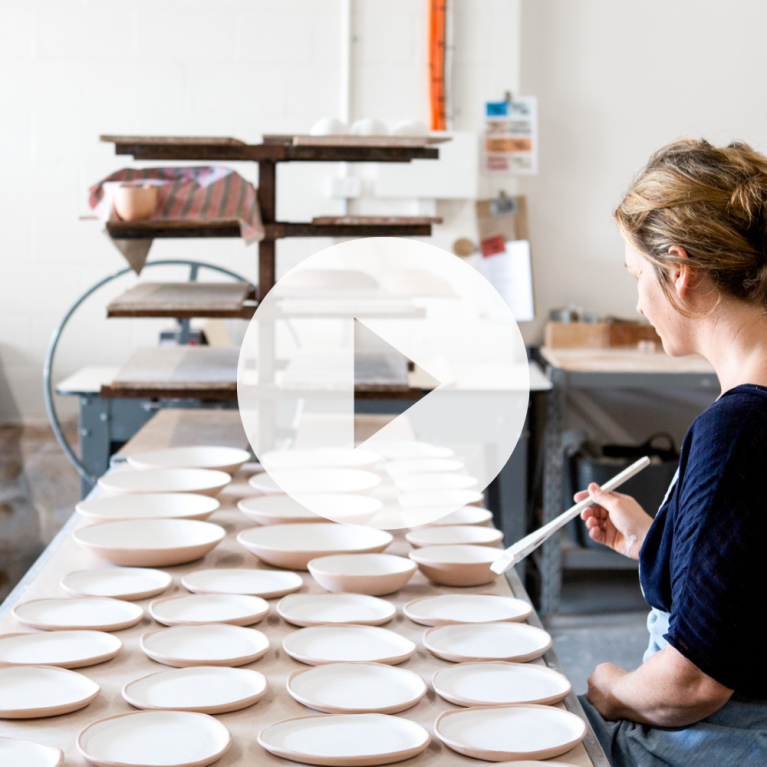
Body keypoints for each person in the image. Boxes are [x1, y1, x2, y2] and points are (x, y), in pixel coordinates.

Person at [574, 138, 767, 766]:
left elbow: (691, 685)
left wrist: (611, 689)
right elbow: (748, 577)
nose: (637, 302)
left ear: (678, 271)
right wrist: (651, 541)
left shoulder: (737, 429)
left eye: (637, 276)